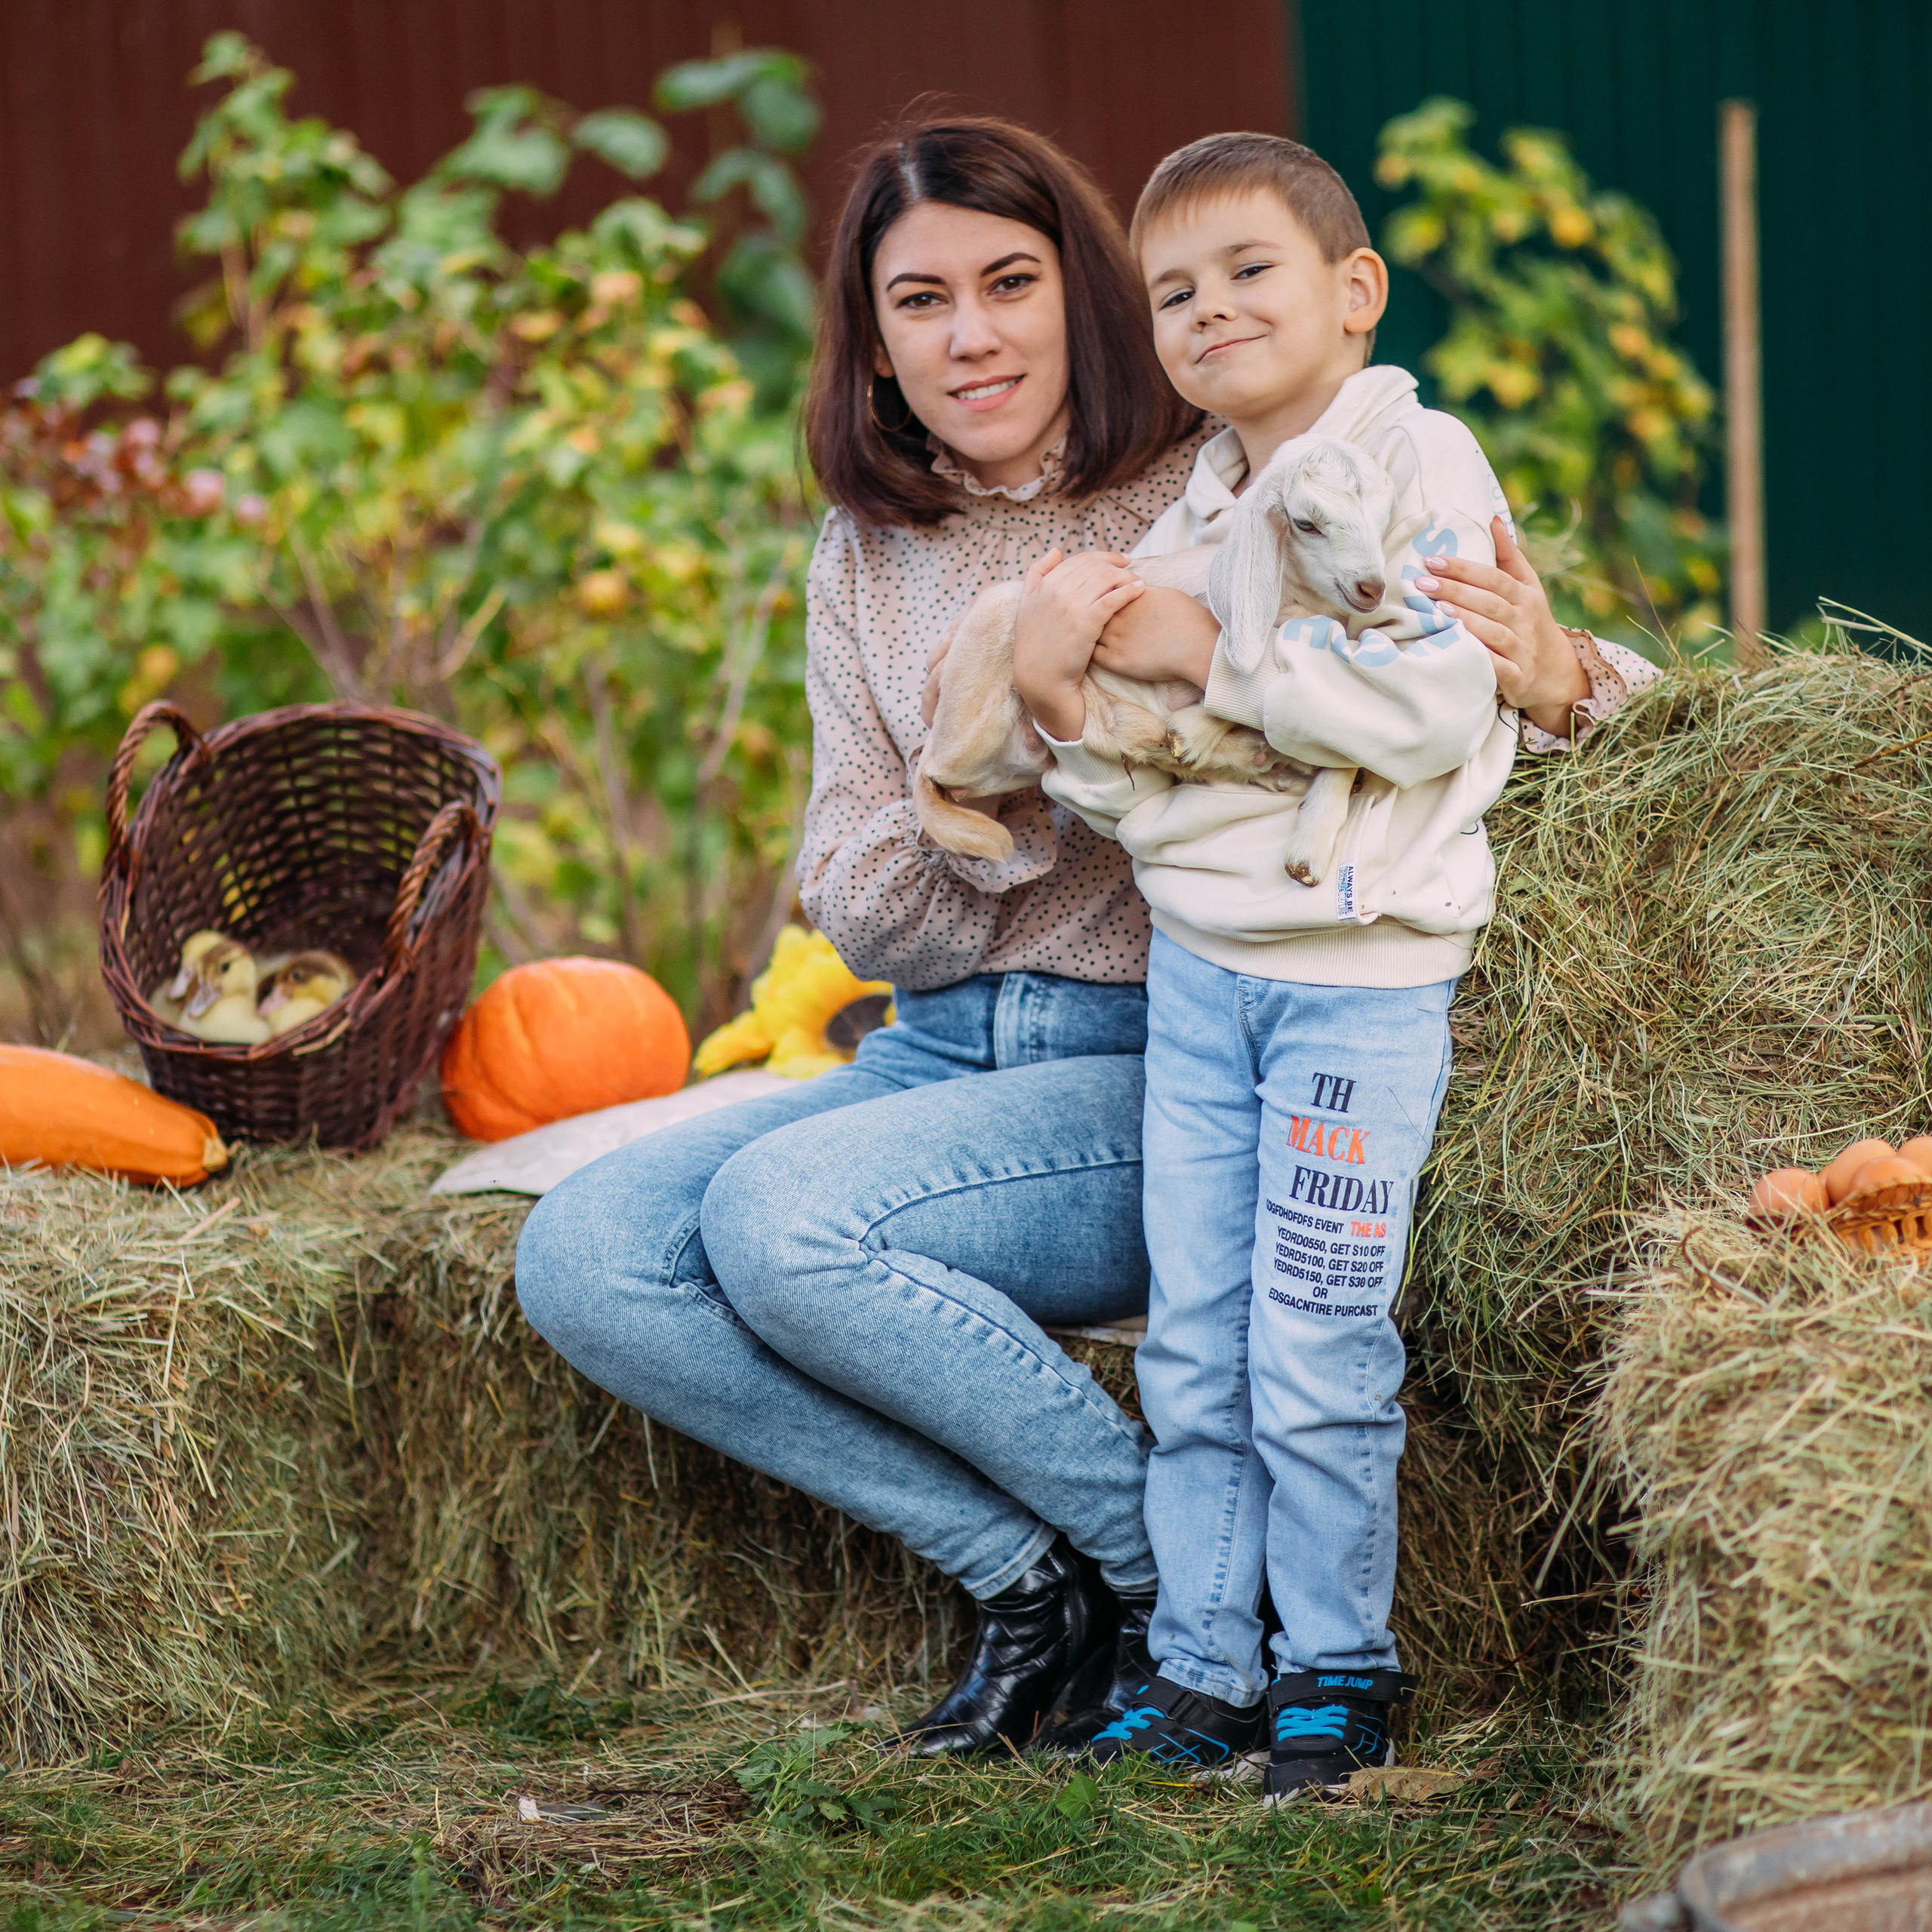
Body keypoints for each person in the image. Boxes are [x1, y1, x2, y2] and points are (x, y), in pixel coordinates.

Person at [512, 114, 1648, 1764]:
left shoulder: (1202, 465)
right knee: (586, 1251)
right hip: (933, 1048)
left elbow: (1484, 675)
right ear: (875, 343)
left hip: (1158, 1045)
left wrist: (1563, 678)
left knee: (780, 1219)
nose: (970, 334)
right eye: (920, 301)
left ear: (1085, 295)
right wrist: (1008, 764)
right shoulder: (866, 555)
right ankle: (1048, 1569)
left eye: (1010, 282)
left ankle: (1174, 1594)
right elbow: (855, 892)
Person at [1013, 131, 1654, 1798]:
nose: (1209, 310)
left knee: (1312, 1327)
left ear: (1352, 293)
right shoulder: (1198, 501)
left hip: (1357, 984)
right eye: (1172, 293)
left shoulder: (1415, 461)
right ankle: (1203, 1658)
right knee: (1194, 1331)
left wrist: (1214, 659)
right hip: (1203, 973)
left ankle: (1337, 1666)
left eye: (1248, 272)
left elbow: (1432, 696)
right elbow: (1153, 753)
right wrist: (1071, 707)